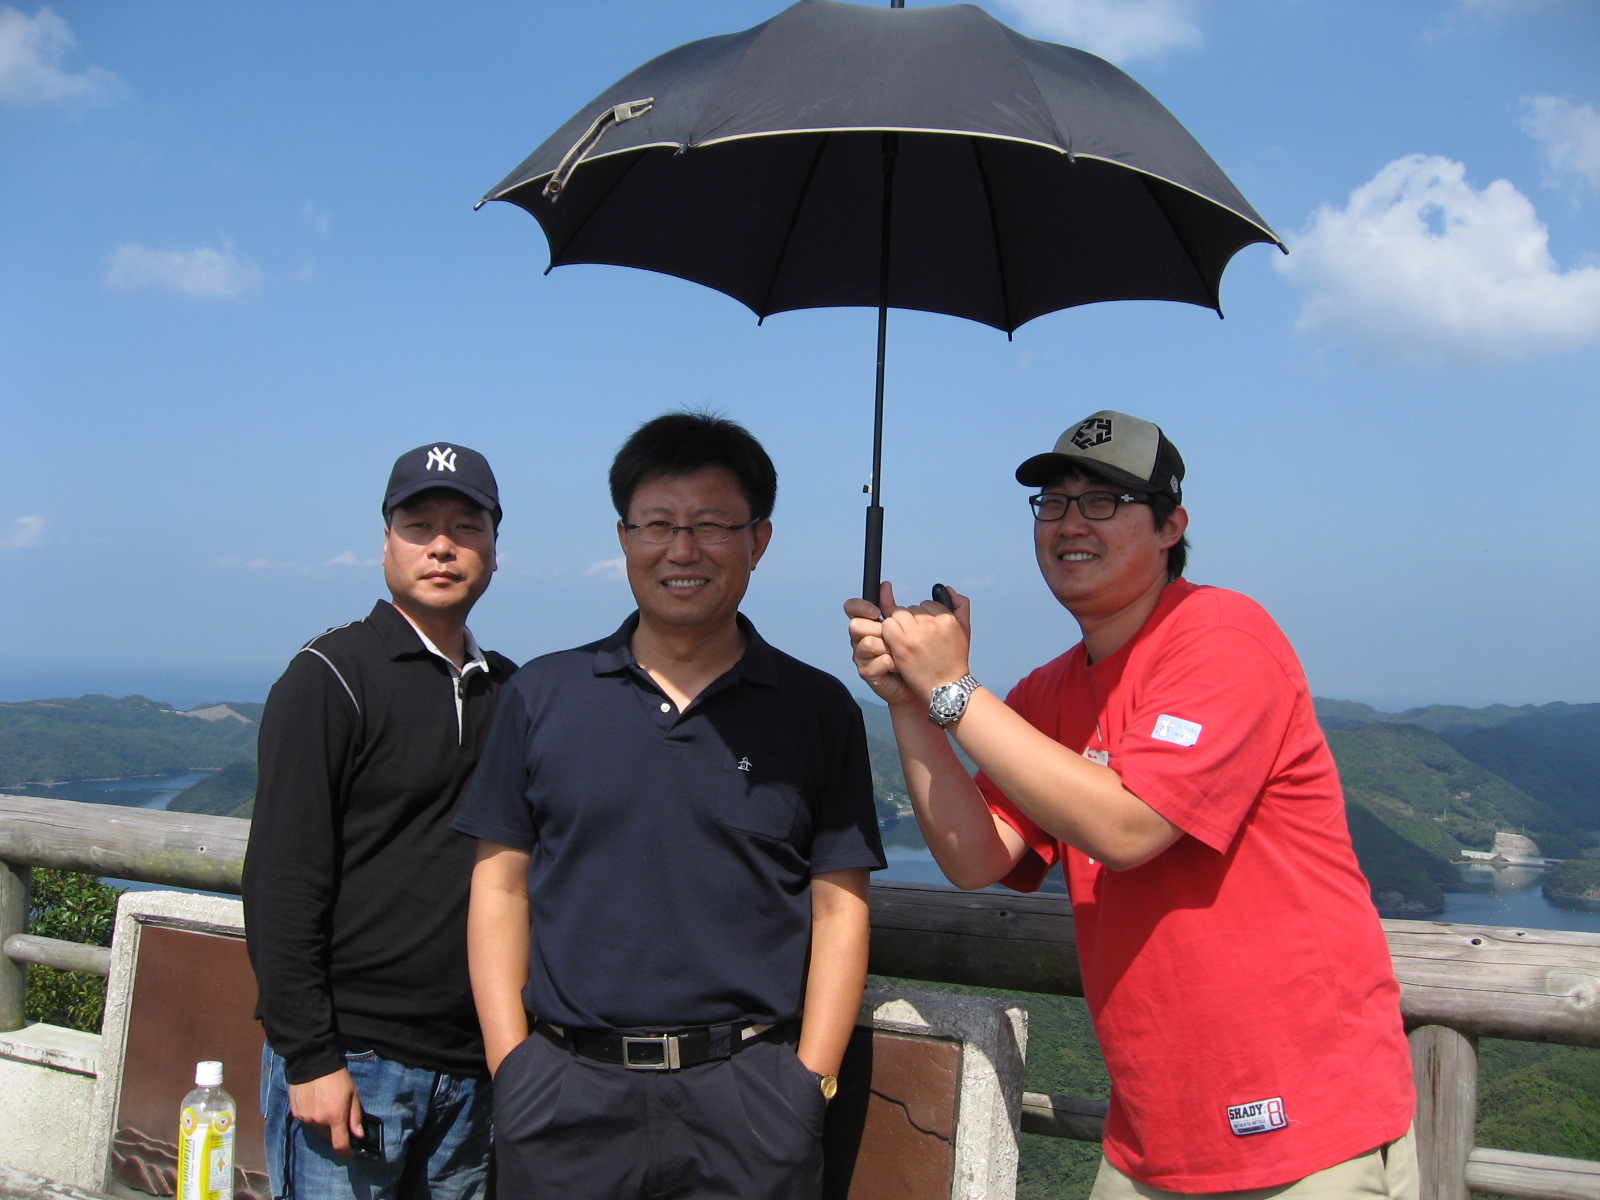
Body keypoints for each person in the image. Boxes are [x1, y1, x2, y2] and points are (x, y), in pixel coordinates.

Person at [846, 410, 1417, 1198]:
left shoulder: (1224, 637)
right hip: (1150, 1137)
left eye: (1103, 501)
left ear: (1170, 527)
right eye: (1054, 502)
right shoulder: (1049, 691)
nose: (1071, 523)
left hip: (1305, 1133)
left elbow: (1129, 826)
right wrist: (911, 703)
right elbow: (975, 856)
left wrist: (953, 688)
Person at [455, 411, 884, 1200]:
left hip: (751, 1100)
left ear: (758, 540)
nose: (682, 550)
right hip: (564, 1096)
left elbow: (839, 907)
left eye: (712, 525)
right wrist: (512, 1066)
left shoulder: (817, 710)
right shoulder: (543, 694)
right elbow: (500, 886)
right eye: (657, 524)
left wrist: (807, 1085)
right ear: (624, 539)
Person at [243, 442, 515, 1200]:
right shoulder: (330, 677)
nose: (442, 546)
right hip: (355, 1063)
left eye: (466, 527)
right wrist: (309, 1057)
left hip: (474, 1069)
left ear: (495, 549)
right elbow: (282, 880)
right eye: (419, 525)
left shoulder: (510, 693)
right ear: (386, 542)